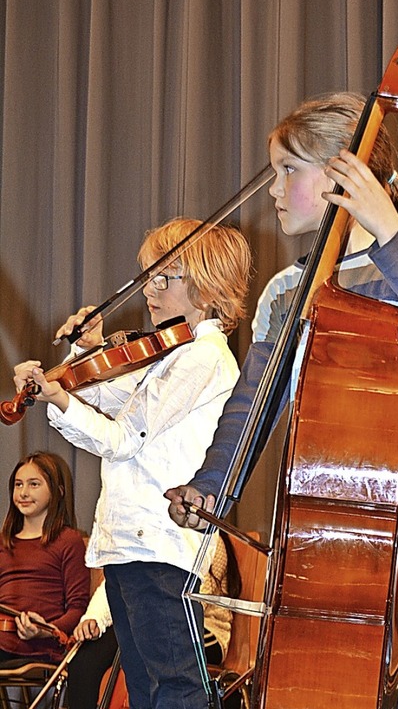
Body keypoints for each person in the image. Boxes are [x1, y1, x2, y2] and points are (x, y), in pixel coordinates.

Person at [165, 92, 398, 709]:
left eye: (290, 169)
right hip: (322, 552)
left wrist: (389, 231)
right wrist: (211, 487)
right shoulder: (289, 290)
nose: (274, 188)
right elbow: (250, 409)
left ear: (345, 174)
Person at [12, 217, 252, 709]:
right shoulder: (171, 353)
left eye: (166, 276)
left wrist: (58, 397)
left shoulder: (203, 357)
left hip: (158, 544)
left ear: (207, 285)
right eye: (149, 277)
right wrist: (86, 351)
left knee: (175, 689)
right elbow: (110, 390)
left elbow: (121, 437)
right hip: (130, 545)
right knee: (145, 689)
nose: (151, 289)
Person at [66, 530, 240, 709]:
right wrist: (95, 618)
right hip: (150, 617)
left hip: (202, 630)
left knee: (149, 641)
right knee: (87, 656)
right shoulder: (144, 527)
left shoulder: (206, 534)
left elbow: (190, 602)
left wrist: (141, 616)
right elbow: (121, 580)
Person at [0, 451, 90, 664]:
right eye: (18, 484)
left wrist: (47, 630)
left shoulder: (69, 540)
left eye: (34, 484)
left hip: (42, 646)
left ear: (57, 492)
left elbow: (78, 607)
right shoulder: (3, 542)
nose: (23, 493)